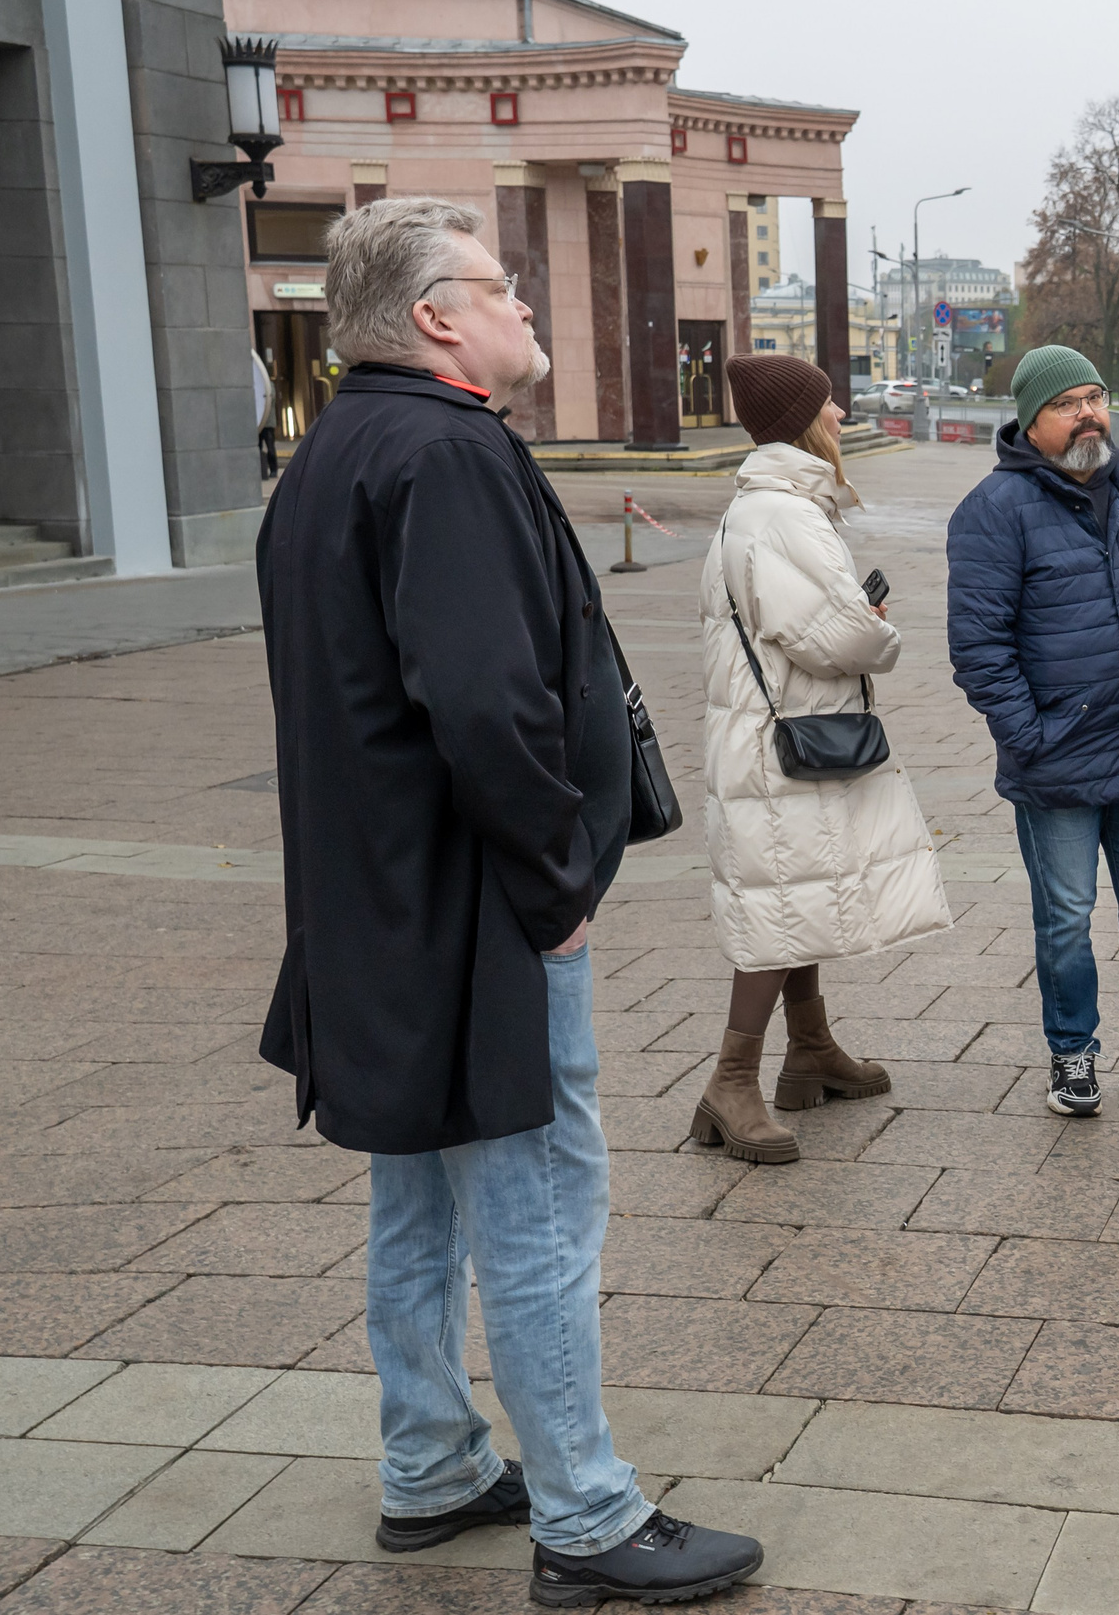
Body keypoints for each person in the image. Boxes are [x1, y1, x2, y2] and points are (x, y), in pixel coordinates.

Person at [254, 196, 760, 1609]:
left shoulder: (335, 452)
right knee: (535, 1198)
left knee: (417, 1193)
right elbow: (483, 697)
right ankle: (587, 1513)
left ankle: (428, 1462)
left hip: (377, 907)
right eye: (503, 287)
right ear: (434, 317)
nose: (528, 308)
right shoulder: (445, 452)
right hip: (475, 905)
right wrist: (555, 882)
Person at [945, 344, 1119, 1117]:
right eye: (1067, 404)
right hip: (1058, 759)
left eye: (1096, 397)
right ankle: (1072, 1054)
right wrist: (1028, 733)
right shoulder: (994, 510)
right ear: (1031, 421)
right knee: (1067, 918)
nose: (1089, 414)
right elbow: (978, 646)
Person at [693, 353, 951, 1162]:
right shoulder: (784, 515)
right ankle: (731, 1083)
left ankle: (811, 1049)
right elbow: (837, 636)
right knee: (775, 906)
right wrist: (880, 629)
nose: (840, 415)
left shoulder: (770, 506)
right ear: (801, 421)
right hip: (781, 748)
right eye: (830, 404)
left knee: (797, 889)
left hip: (779, 738)